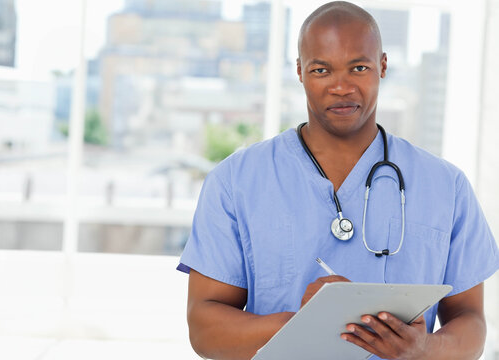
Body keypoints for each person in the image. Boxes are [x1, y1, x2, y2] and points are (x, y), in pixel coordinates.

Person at [176, 1, 499, 359]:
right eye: (321, 70)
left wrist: (425, 349)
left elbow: (471, 322)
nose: (341, 87)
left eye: (358, 67)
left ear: (383, 66)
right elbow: (204, 328)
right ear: (299, 71)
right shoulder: (236, 181)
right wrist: (306, 322)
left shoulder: (445, 186)